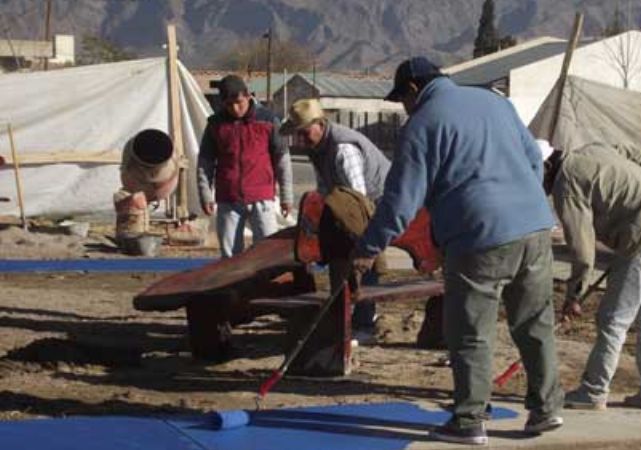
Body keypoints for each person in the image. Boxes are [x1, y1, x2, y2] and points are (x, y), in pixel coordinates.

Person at [352, 57, 563, 446]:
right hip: (534, 227)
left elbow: (401, 201)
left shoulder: (424, 123)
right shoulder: (495, 102)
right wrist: (526, 205)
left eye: (403, 99)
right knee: (534, 322)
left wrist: (370, 246)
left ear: (414, 88)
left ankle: (469, 420)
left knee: (471, 330)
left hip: (477, 235)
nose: (404, 108)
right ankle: (546, 409)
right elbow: (535, 158)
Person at [544, 142, 641, 412]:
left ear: (548, 168)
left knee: (613, 318)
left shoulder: (566, 185)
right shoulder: (594, 148)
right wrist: (635, 197)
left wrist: (574, 295)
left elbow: (582, 251)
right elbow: (639, 154)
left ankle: (593, 391)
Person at [279, 98, 390, 344]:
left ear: (320, 124)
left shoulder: (343, 149)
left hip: (376, 199)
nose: (301, 139)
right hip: (351, 199)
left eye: (305, 133)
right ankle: (342, 316)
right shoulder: (317, 147)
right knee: (337, 251)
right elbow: (324, 186)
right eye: (297, 135)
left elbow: (358, 199)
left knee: (365, 256)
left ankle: (365, 324)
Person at [197, 74, 293, 258]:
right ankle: (233, 287)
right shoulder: (215, 124)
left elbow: (282, 159)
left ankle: (267, 287)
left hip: (262, 198)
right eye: (228, 104)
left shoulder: (268, 120)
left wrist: (286, 196)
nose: (235, 108)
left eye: (239, 102)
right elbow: (205, 161)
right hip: (228, 198)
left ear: (248, 96)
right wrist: (205, 194)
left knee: (267, 253)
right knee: (230, 256)